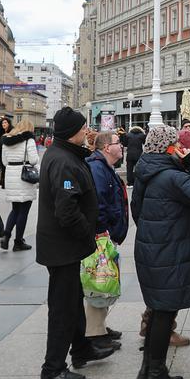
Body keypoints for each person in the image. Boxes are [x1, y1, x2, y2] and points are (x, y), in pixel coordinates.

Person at [132, 124, 190, 379]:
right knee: (164, 311)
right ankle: (156, 376)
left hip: (152, 248)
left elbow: (136, 211)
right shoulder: (170, 176)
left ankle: (148, 369)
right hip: (168, 251)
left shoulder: (146, 171)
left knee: (159, 309)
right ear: (171, 147)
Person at [36, 107, 102, 379]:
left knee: (72, 300)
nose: (88, 131)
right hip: (62, 246)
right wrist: (87, 234)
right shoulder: (63, 160)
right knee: (62, 307)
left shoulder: (66, 154)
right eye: (84, 128)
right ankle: (52, 368)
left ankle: (82, 347)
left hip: (63, 246)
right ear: (72, 133)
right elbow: (67, 210)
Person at [84, 131, 129, 347]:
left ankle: (99, 327)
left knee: (105, 280)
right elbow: (98, 202)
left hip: (108, 233)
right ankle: (94, 334)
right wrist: (103, 231)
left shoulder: (105, 167)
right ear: (106, 148)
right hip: (102, 234)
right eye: (117, 142)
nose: (121, 146)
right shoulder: (97, 168)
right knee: (100, 280)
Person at [0, 117, 40, 251]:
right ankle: (18, 242)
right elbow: (33, 160)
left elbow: (4, 162)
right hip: (24, 178)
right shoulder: (29, 140)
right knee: (24, 211)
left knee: (15, 209)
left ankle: (6, 236)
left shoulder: (6, 140)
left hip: (11, 176)